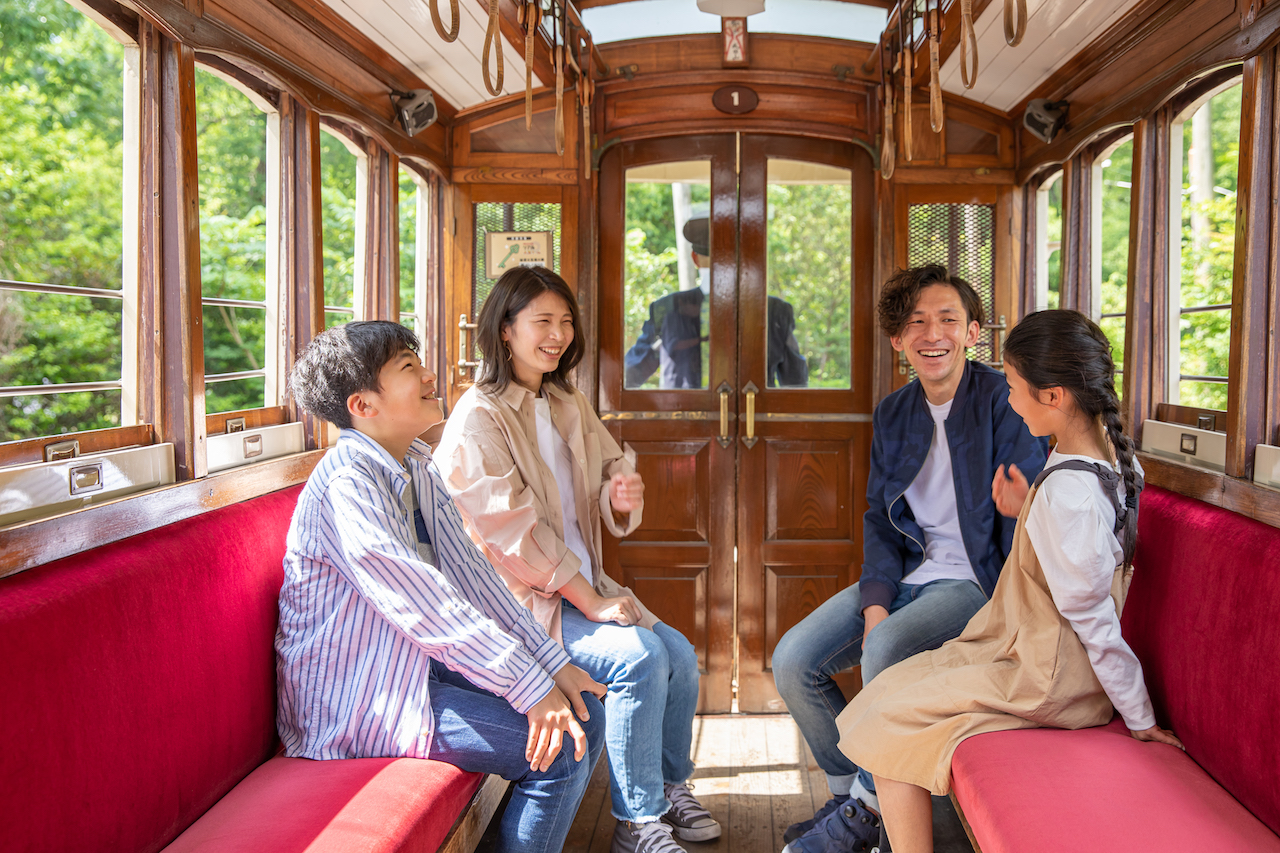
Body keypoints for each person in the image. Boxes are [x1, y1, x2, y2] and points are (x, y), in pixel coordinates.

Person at [834, 310, 1184, 853]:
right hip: (1031, 653)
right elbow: (1078, 549)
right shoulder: (1096, 462)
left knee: (882, 717)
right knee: (886, 693)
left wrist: (1138, 716)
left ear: (1055, 397)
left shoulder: (1071, 493)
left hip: (1050, 678)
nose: (1010, 401)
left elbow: (1093, 620)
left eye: (1016, 389)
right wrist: (1029, 510)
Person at [276, 321, 606, 853]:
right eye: (408, 368)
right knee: (563, 752)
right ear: (363, 405)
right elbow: (424, 606)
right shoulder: (349, 483)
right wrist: (529, 686)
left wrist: (551, 665)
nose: (430, 374)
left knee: (587, 708)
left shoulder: (414, 465)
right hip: (360, 699)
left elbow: (476, 582)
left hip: (411, 669)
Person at [434, 266, 721, 853]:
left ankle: (669, 790)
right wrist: (590, 599)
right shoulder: (477, 417)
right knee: (639, 657)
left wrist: (620, 492)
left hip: (582, 585)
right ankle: (638, 822)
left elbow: (612, 469)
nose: (558, 334)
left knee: (681, 657)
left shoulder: (564, 399)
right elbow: (509, 534)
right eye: (542, 321)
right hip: (518, 604)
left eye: (565, 321)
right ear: (505, 330)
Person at [772, 264, 1047, 853]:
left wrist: (1019, 507)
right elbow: (880, 519)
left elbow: (1039, 508)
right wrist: (875, 603)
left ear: (973, 331)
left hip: (975, 582)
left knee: (889, 651)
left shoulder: (1004, 399)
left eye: (948, 319)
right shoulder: (894, 413)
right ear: (898, 340)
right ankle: (856, 802)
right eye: (916, 322)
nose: (933, 333)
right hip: (906, 578)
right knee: (795, 660)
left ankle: (863, 814)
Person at [624, 216, 807, 389]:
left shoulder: (665, 309)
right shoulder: (775, 311)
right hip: (750, 419)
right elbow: (796, 384)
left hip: (681, 420)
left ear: (694, 258)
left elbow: (630, 376)